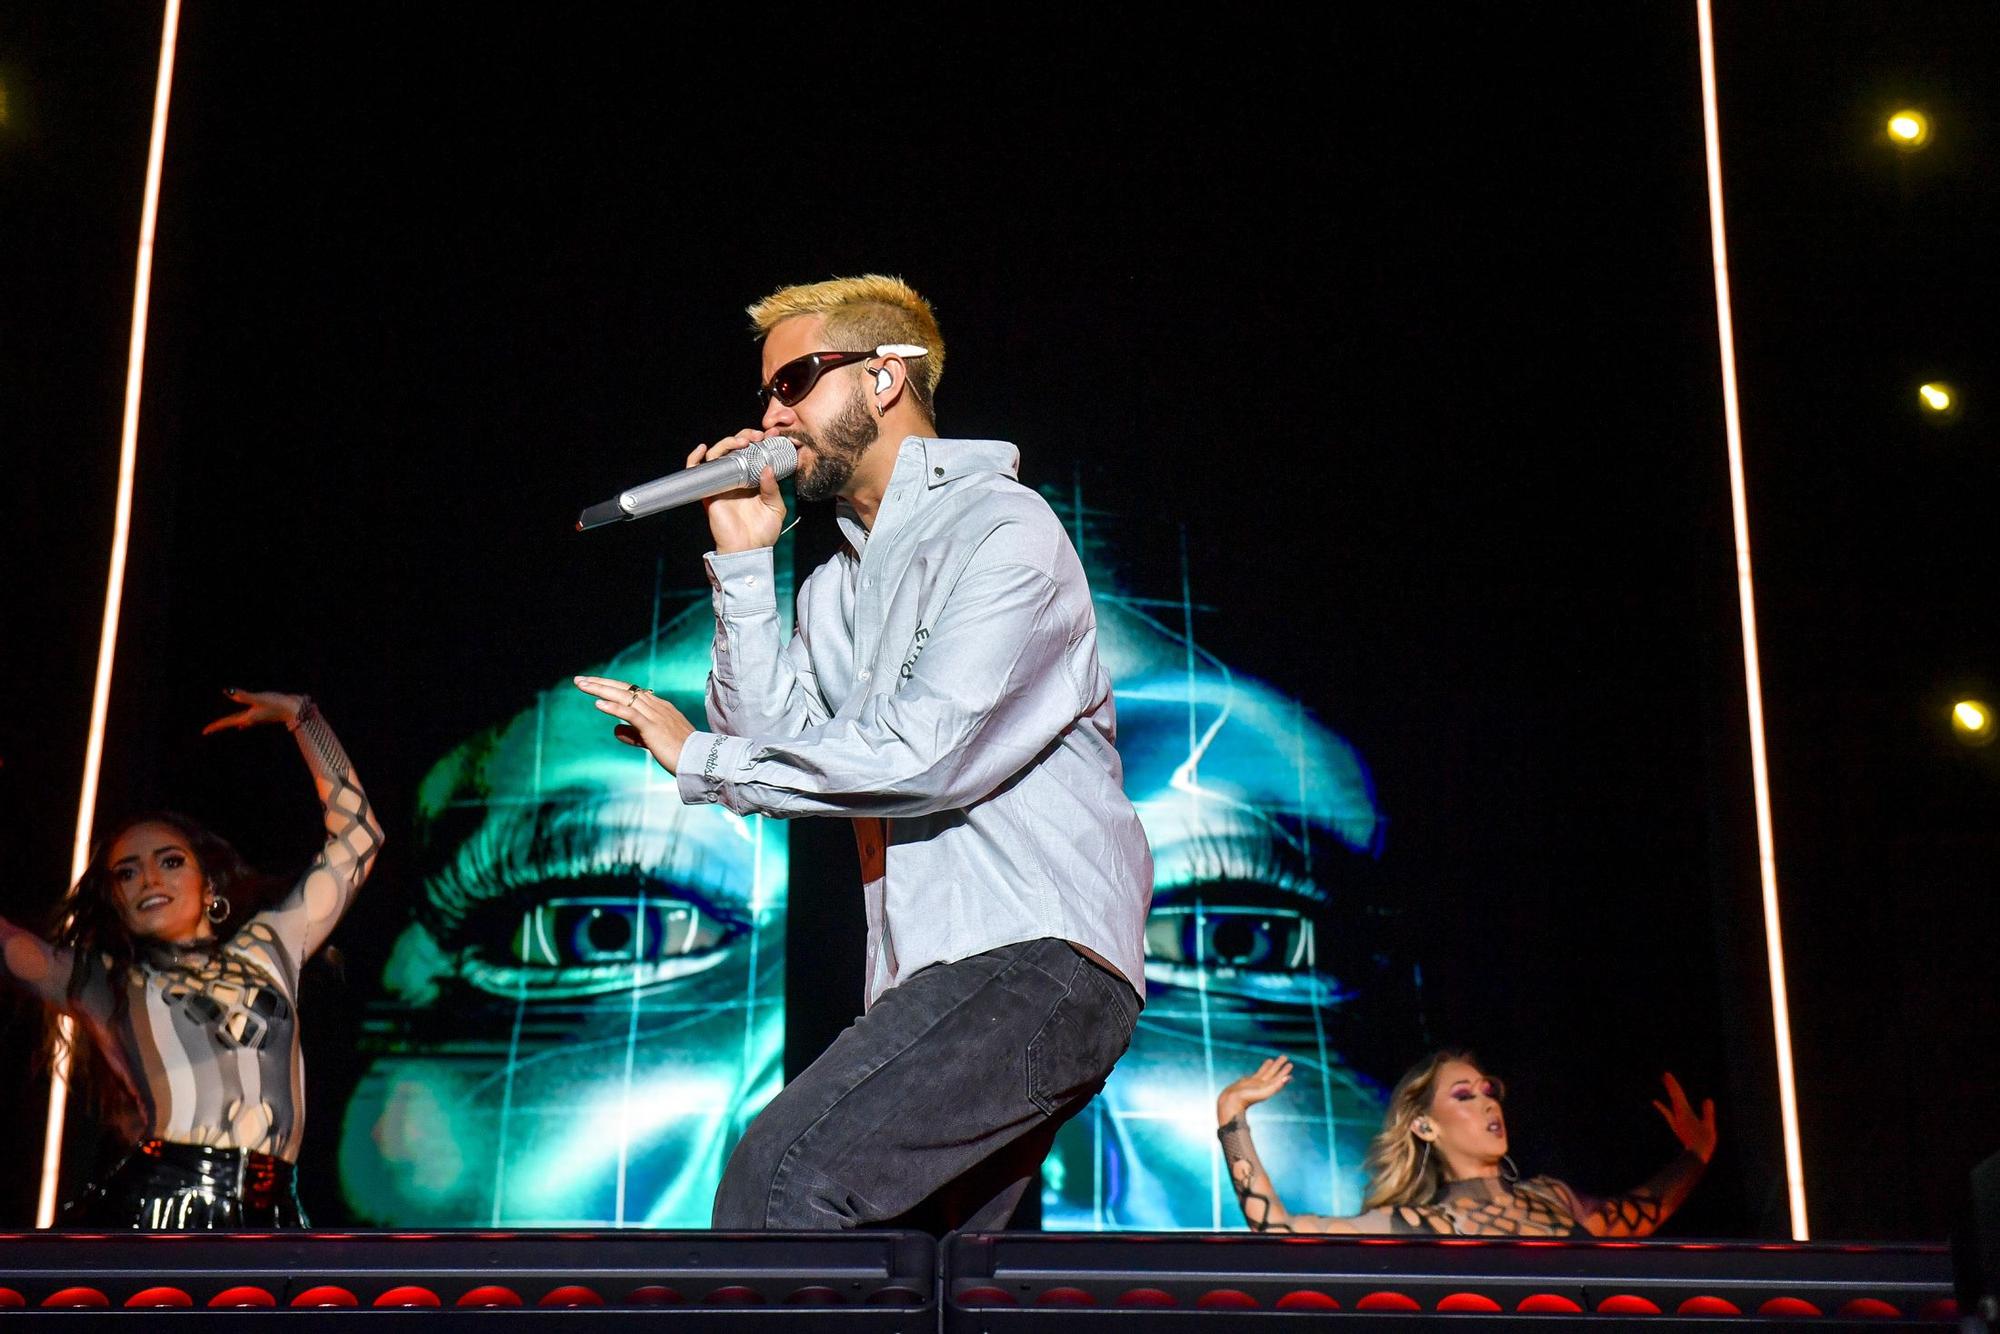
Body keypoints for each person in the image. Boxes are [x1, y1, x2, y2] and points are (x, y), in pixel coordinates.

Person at [573, 273, 1152, 1232]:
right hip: (932, 978)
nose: (770, 414)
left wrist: (698, 759)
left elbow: (924, 757)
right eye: (767, 392)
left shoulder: (1006, 529)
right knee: (917, 1272)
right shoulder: (834, 587)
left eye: (793, 381)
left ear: (885, 377)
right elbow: (776, 748)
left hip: (1038, 956)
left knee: (781, 1180)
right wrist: (749, 565)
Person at [0, 689, 382, 1228]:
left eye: (170, 861)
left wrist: (303, 718)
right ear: (116, 901)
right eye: (126, 873)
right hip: (156, 1207)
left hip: (271, 1210)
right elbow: (11, 948)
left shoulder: (272, 945)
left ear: (209, 887)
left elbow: (359, 839)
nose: (149, 879)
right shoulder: (106, 982)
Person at [1214, 1051, 1716, 1236]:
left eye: (1488, 1092)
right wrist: (1232, 1118)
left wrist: (1696, 1155)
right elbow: (1279, 1230)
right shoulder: (1417, 1225)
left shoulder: (1553, 1199)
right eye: (1463, 1096)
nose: (1488, 1104)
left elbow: (1639, 1215)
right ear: (1425, 1127)